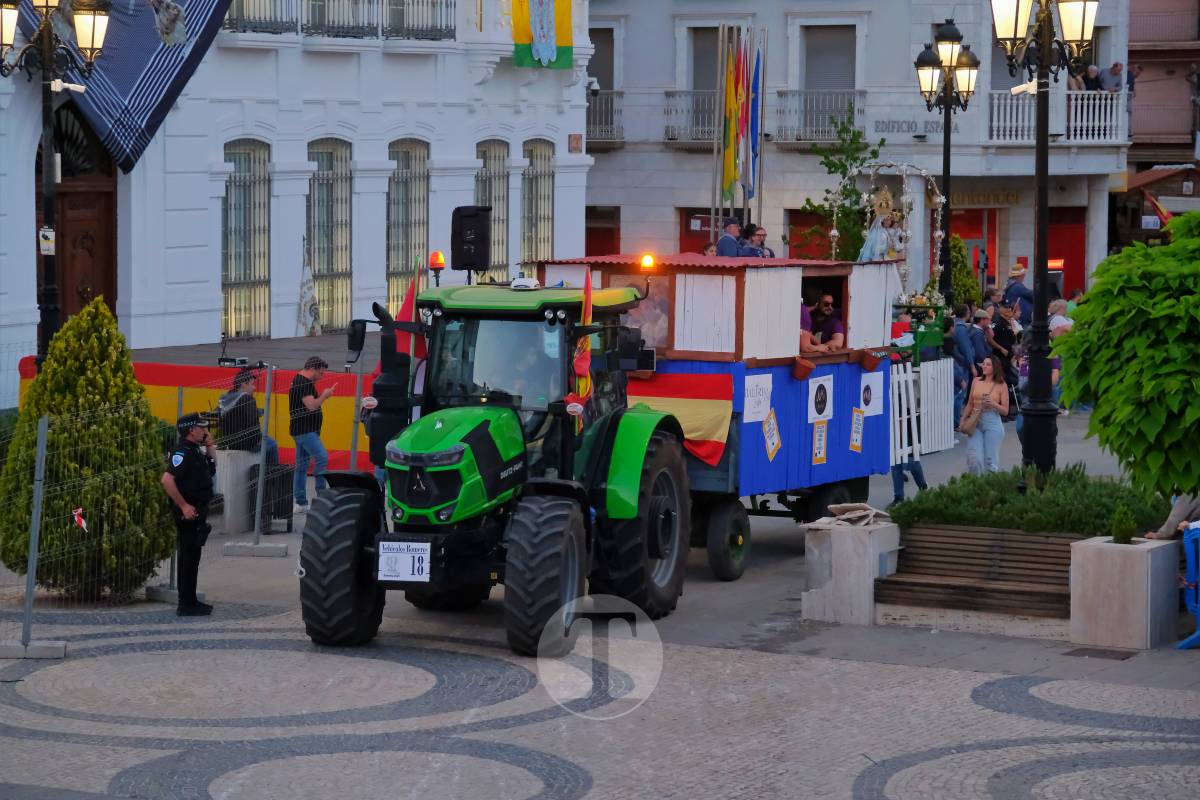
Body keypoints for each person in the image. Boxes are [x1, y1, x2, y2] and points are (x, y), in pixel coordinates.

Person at [161, 413, 216, 617]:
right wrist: (184, 506)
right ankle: (186, 604)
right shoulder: (182, 452)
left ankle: (191, 601)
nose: (205, 430)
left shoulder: (195, 450)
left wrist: (210, 446)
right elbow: (167, 480)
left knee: (194, 557)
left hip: (198, 511)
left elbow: (211, 470)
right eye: (202, 427)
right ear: (191, 430)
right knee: (188, 557)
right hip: (188, 513)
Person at [289, 356, 335, 514]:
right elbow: (312, 406)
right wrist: (325, 395)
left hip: (303, 429)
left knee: (301, 467)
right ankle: (321, 497)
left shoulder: (302, 381)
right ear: (313, 369)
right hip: (305, 430)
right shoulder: (303, 384)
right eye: (320, 373)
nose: (321, 377)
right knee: (322, 457)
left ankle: (301, 502)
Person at [217, 368, 278, 465]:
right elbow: (255, 426)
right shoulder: (247, 399)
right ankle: (271, 475)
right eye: (252, 384)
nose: (254, 388)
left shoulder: (226, 397)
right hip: (246, 443)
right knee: (272, 444)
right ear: (243, 384)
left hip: (228, 440)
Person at [962, 354, 1009, 475]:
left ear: (995, 367)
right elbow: (970, 403)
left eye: (988, 364)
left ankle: (991, 487)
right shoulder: (976, 381)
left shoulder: (1001, 385)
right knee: (974, 458)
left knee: (990, 461)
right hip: (975, 420)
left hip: (992, 421)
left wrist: (994, 404)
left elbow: (1005, 410)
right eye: (983, 363)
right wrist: (963, 420)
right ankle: (976, 485)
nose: (984, 366)